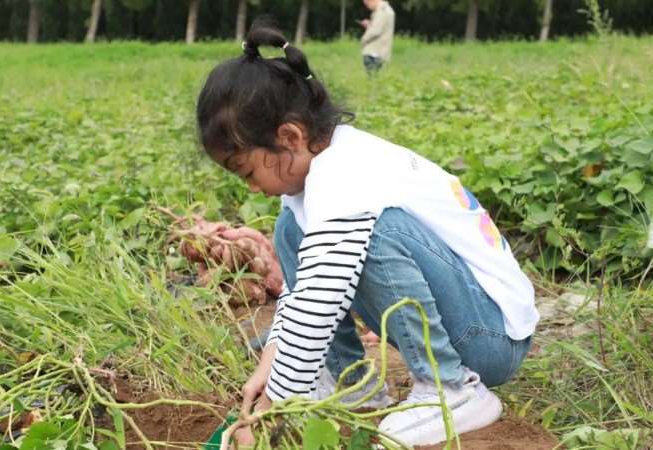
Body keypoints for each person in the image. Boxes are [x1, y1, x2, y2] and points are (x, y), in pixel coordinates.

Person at [196, 26, 538, 448]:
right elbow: (301, 294)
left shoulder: (348, 174)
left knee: (375, 232)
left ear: (289, 137)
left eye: (249, 171)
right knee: (292, 229)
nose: (251, 188)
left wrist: (273, 407)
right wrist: (269, 368)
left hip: (490, 337)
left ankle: (452, 389)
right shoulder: (312, 183)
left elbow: (322, 297)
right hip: (459, 319)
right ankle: (352, 384)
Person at [359, 0, 395, 74]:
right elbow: (379, 28)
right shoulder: (385, 10)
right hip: (379, 52)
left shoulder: (381, 11)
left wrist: (363, 40)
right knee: (376, 79)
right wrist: (370, 25)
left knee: (372, 79)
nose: (368, 7)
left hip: (375, 53)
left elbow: (375, 31)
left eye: (367, 4)